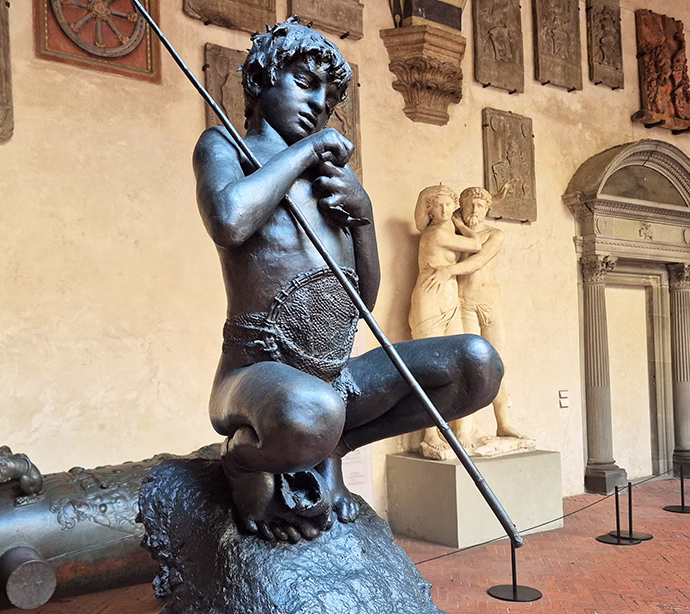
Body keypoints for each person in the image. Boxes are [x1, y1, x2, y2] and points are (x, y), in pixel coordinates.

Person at [194, 19, 503, 543]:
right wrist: (308, 152)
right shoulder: (223, 145)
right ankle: (244, 463)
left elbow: (359, 302)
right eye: (305, 83)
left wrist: (363, 216)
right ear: (263, 79)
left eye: (329, 96)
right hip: (253, 377)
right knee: (312, 409)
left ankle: (333, 445)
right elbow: (229, 219)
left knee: (477, 365)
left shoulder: (326, 181)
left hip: (332, 378)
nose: (319, 104)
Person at [419, 186, 529, 452]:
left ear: (488, 209)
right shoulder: (451, 232)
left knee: (497, 365)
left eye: (480, 207)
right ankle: (467, 428)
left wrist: (448, 270)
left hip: (489, 302)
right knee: (471, 368)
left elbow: (477, 261)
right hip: (463, 305)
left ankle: (503, 423)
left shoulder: (495, 234)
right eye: (469, 206)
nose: (474, 211)